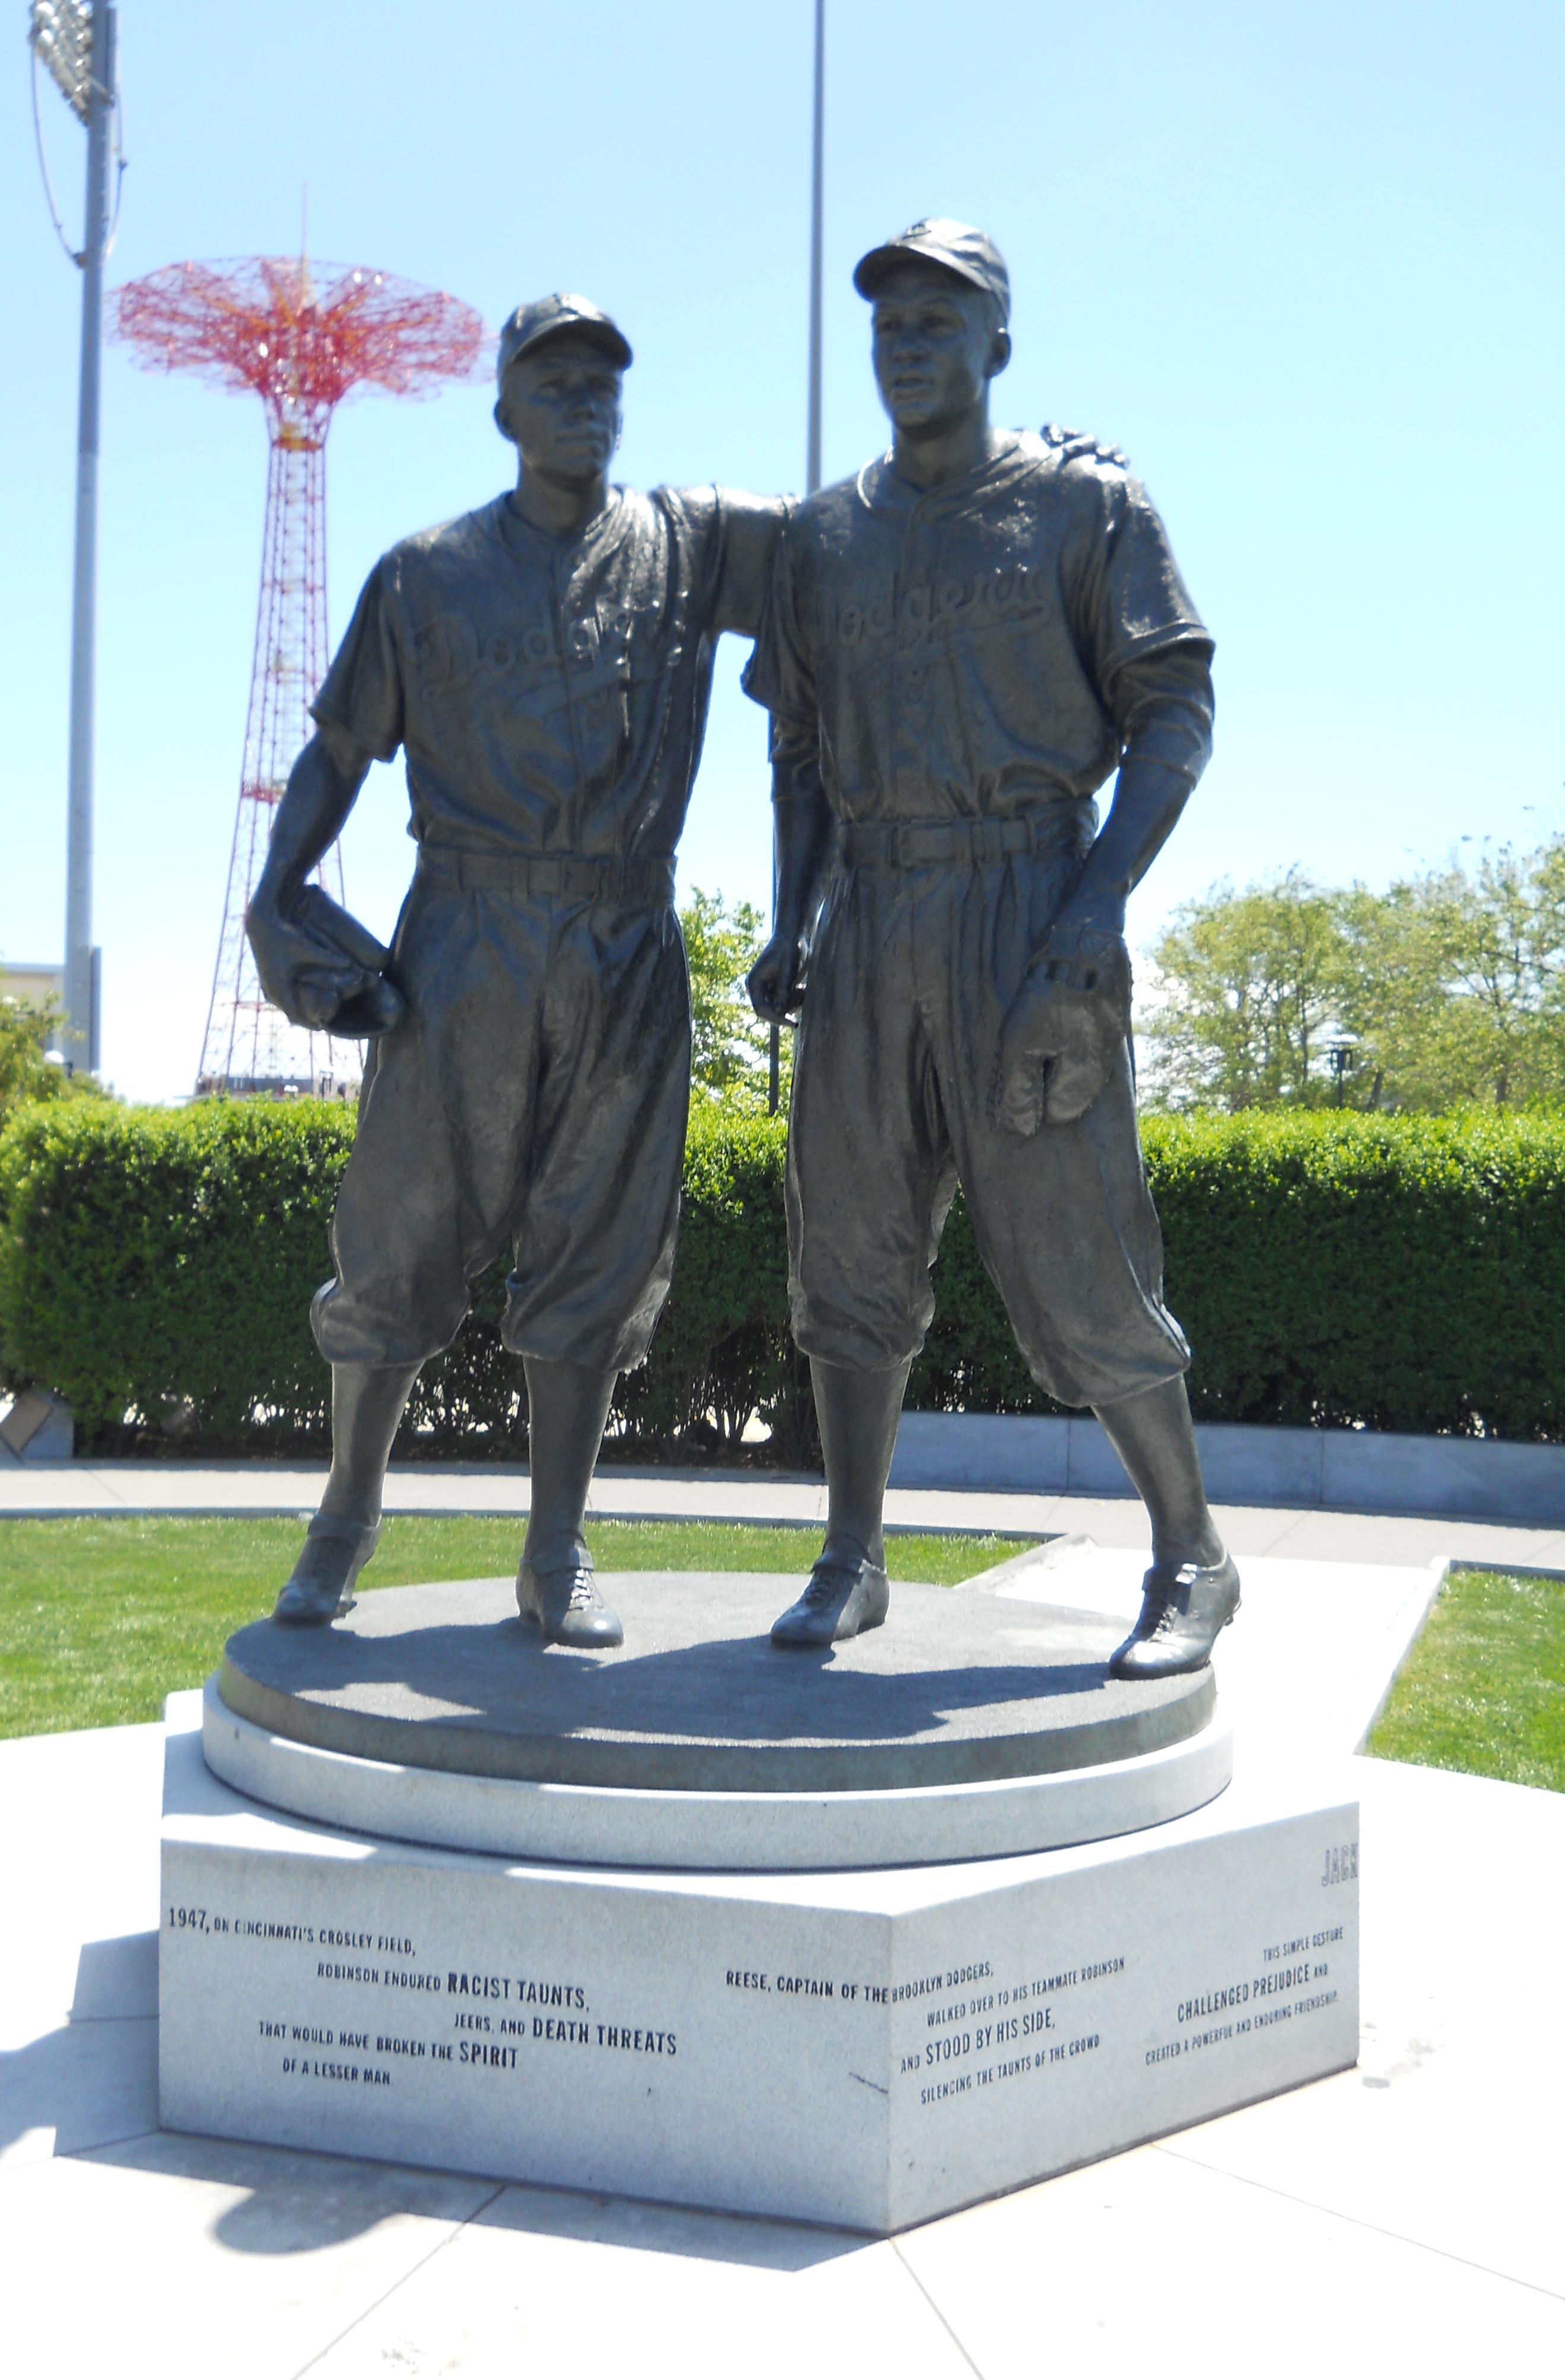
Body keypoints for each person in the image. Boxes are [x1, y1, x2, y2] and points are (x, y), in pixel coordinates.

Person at [247, 293, 790, 1643]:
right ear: (504, 410)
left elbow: (855, 539)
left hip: (622, 938)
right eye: (551, 381)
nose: (580, 401)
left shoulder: (682, 543)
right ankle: (344, 1518)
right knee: (399, 1238)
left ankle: (555, 1546)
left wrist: (1008, 471)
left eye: (601, 381)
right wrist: (277, 888)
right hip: (465, 936)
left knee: (595, 1259)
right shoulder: (424, 572)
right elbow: (338, 752)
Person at [745, 219, 1238, 1681]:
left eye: (938, 318)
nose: (907, 339)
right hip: (871, 916)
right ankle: (850, 1555)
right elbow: (796, 749)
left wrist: (1091, 911)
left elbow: (1175, 713)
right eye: (887, 319)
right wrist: (788, 915)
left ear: (995, 345)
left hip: (1027, 903)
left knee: (1078, 1253)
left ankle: (1190, 1551)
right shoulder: (821, 539)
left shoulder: (1083, 500)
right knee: (844, 1252)